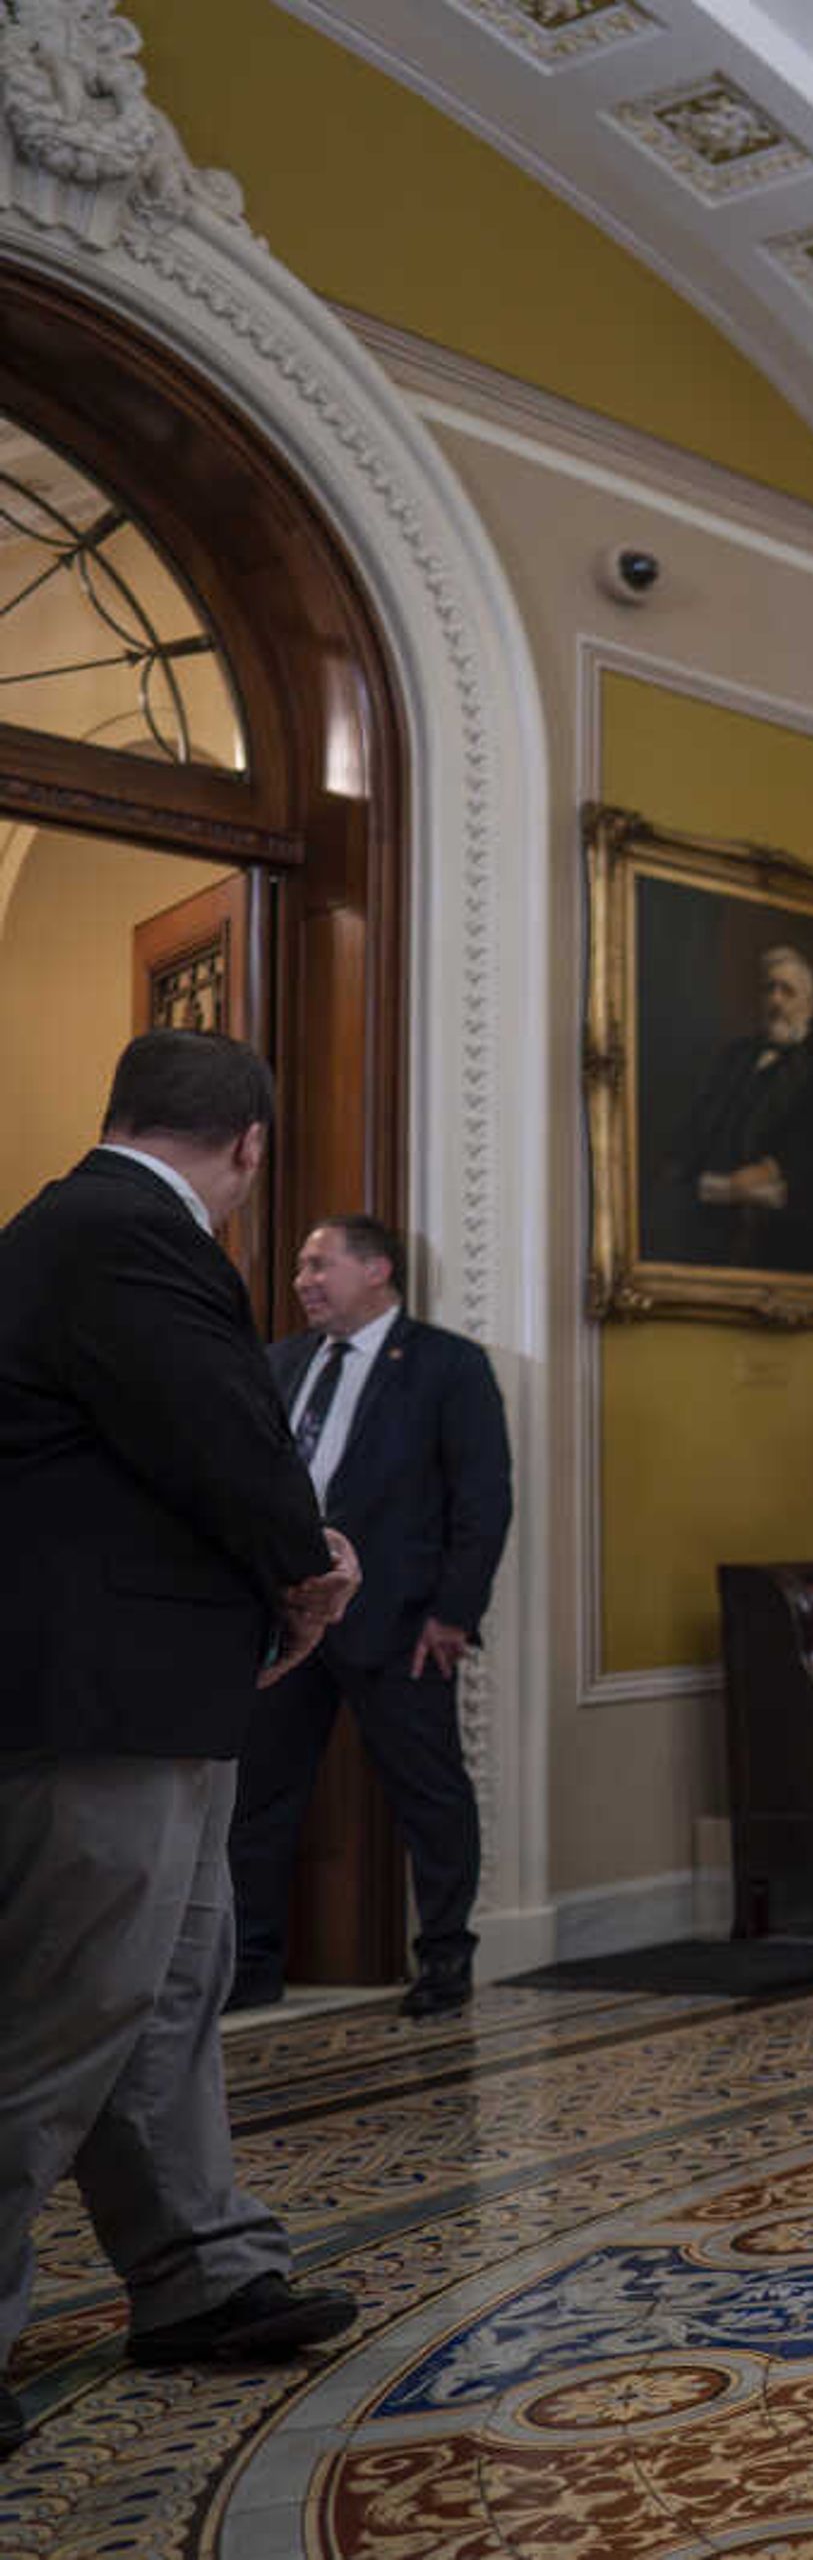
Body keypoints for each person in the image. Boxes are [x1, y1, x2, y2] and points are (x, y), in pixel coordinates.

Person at [1, 1030, 367, 2457]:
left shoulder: (62, 1225)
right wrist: (307, 1559)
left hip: (154, 1689)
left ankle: (198, 2270)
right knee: (66, 2008)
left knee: (164, 1992)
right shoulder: (129, 1233)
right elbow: (221, 1428)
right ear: (253, 1148)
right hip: (106, 1701)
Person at [228, 1215, 515, 2018]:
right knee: (258, 1797)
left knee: (430, 1795)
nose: (302, 1282)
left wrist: (455, 1611)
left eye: (320, 1265)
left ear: (378, 1268)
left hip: (401, 1624)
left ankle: (446, 1962)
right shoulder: (279, 1361)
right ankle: (251, 1964)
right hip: (288, 1618)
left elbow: (483, 1499)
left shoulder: (445, 1365)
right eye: (298, 1267)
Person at [653, 943, 813, 1273]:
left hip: (778, 1240)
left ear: (810, 1005)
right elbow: (695, 1128)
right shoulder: (731, 1059)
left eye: (788, 991)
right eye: (769, 989)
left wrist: (773, 1169)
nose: (776, 1000)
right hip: (709, 1223)